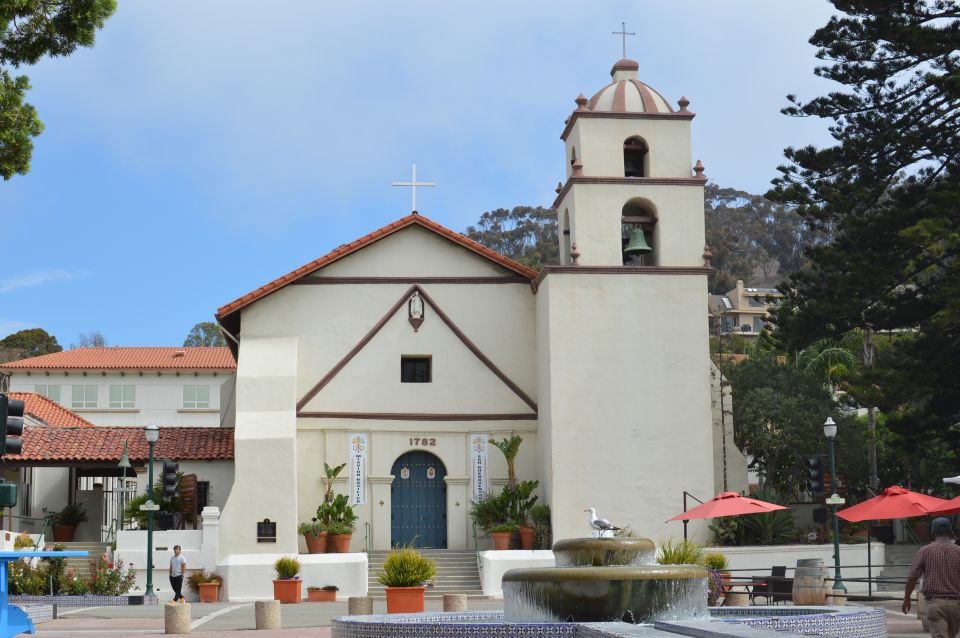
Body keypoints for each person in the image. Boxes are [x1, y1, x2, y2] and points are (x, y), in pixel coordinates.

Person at [903, 517, 960, 638]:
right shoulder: (958, 551)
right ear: (951, 533)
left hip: (936, 604)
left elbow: (912, 577)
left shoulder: (925, 551)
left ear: (932, 533)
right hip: (957, 605)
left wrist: (907, 598)